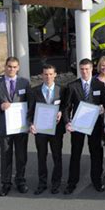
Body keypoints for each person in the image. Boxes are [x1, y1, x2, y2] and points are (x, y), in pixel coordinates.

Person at [0, 57, 32, 196]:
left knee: (21, 156)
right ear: (5, 67)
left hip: (20, 127)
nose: (11, 69)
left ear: (18, 68)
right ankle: (6, 183)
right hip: (5, 127)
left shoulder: (24, 83)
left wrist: (29, 121)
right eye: (9, 66)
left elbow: (30, 103)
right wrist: (0, 106)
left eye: (14, 67)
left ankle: (20, 181)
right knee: (6, 156)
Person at [63, 58, 105, 194]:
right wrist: (67, 122)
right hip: (78, 125)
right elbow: (66, 107)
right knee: (76, 153)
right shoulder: (72, 86)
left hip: (95, 125)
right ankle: (72, 182)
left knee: (96, 153)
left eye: (87, 69)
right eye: (82, 69)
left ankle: (97, 181)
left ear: (92, 69)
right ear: (79, 70)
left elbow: (104, 103)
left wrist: (102, 108)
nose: (84, 72)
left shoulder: (99, 85)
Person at [28, 64, 65, 195]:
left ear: (55, 75)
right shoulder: (34, 91)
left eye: (50, 74)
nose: (48, 77)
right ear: (42, 75)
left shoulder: (62, 90)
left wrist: (61, 111)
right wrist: (31, 123)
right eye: (45, 74)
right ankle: (42, 183)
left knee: (57, 157)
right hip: (41, 130)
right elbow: (30, 110)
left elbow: (66, 107)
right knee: (41, 157)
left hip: (56, 130)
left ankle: (56, 184)